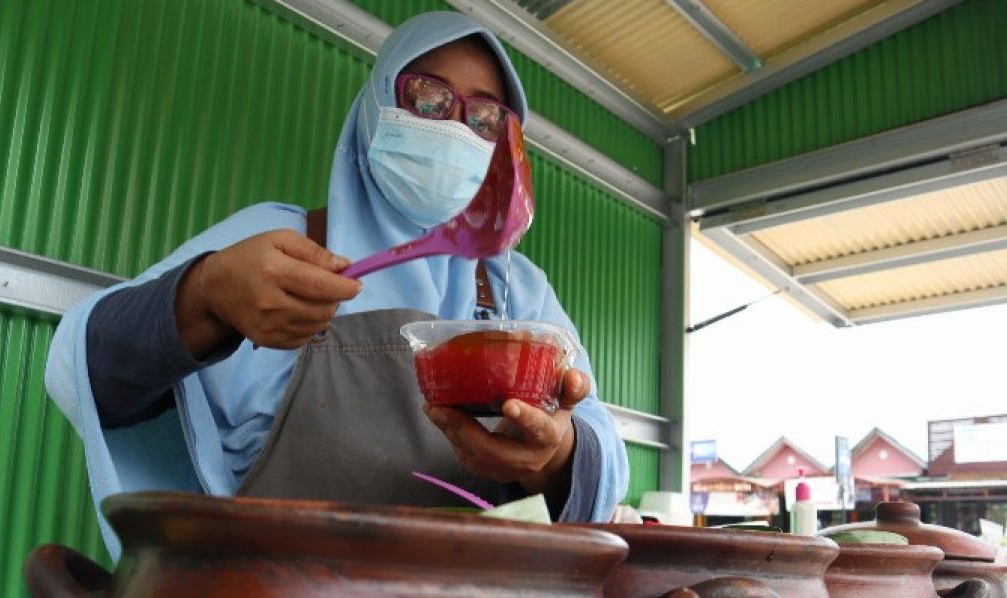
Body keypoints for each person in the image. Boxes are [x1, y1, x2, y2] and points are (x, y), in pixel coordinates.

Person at [46, 11, 628, 559]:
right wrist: (206, 295)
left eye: (484, 118)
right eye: (427, 97)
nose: (454, 130)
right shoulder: (274, 246)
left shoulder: (512, 288)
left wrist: (557, 452)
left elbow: (600, 443)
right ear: (376, 103)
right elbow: (81, 372)